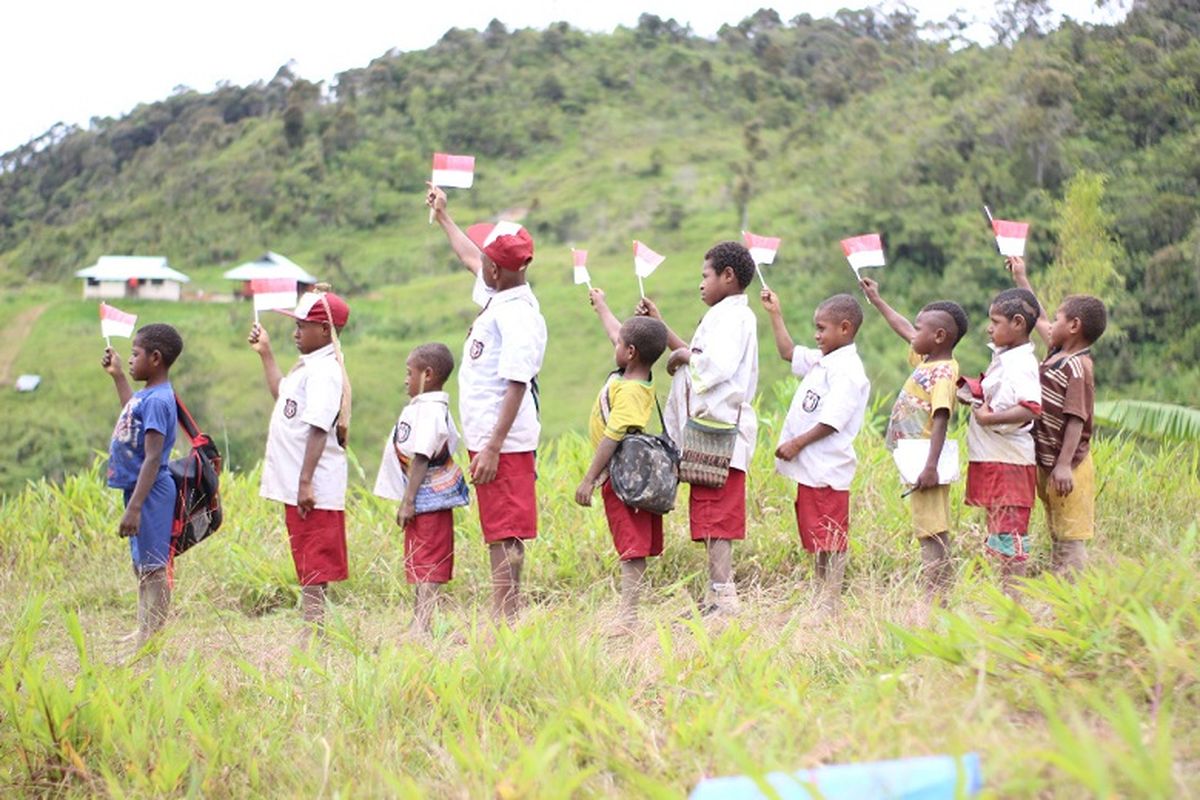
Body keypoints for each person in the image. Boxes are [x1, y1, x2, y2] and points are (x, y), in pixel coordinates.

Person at [427, 184, 547, 625]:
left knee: (508, 530)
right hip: (488, 437)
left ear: (497, 270)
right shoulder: (500, 293)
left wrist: (495, 445)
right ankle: (503, 610)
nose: (479, 265)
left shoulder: (518, 315)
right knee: (496, 527)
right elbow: (467, 257)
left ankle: (507, 615)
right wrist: (443, 217)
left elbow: (516, 383)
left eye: (486, 262)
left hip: (506, 441)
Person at [638, 241, 759, 616]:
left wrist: (683, 356)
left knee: (718, 519)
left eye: (706, 276)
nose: (701, 284)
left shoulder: (736, 318)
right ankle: (716, 598)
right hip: (708, 432)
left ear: (728, 276)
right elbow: (700, 356)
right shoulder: (723, 315)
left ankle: (725, 600)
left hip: (720, 432)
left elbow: (715, 366)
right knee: (709, 516)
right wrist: (665, 331)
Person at [248, 287, 352, 634]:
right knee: (308, 558)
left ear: (325, 330)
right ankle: (314, 626)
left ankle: (315, 630)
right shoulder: (307, 368)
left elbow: (320, 428)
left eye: (303, 325)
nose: (295, 332)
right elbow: (283, 396)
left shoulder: (325, 372)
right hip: (300, 484)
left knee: (315, 561)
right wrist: (266, 353)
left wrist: (305, 482)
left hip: (313, 486)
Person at [860, 277, 968, 604]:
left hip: (926, 461)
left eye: (921, 330)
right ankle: (938, 594)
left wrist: (931, 466)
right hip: (916, 459)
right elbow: (904, 327)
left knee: (933, 529)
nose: (913, 334)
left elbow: (941, 418)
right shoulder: (928, 360)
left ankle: (937, 597)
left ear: (938, 337)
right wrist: (877, 300)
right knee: (927, 526)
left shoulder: (944, 373)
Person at [761, 290, 870, 615]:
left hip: (828, 468)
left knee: (832, 537)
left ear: (845, 329)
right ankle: (821, 594)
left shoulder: (848, 371)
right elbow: (787, 352)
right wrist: (775, 313)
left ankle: (831, 599)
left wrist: (796, 443)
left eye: (822, 328)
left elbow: (832, 421)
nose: (816, 334)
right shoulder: (825, 359)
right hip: (813, 469)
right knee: (817, 535)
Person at [575, 290, 670, 626]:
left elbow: (613, 436)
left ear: (630, 353)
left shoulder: (629, 391)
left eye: (620, 344)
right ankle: (629, 612)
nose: (613, 343)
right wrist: (602, 304)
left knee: (631, 546)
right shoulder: (635, 376)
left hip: (621, 477)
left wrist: (589, 478)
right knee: (632, 544)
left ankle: (628, 616)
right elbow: (618, 333)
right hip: (628, 474)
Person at [1009, 257, 1107, 576]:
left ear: (1074, 326)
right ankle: (1060, 600)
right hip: (1051, 465)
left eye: (1058, 320)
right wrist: (1022, 279)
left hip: (1069, 466)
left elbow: (1076, 418)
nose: (1050, 325)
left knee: (1070, 540)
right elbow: (1039, 319)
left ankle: (1075, 600)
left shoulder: (1077, 367)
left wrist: (1064, 464)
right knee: (1057, 535)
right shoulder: (1057, 355)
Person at [101, 323, 183, 649]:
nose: (131, 360)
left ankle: (151, 641)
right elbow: (130, 410)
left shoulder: (160, 400)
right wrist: (118, 375)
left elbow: (152, 458)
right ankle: (144, 632)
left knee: (154, 569)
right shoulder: (147, 396)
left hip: (148, 493)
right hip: (140, 490)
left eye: (135, 355)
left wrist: (135, 507)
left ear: (156, 358)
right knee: (142, 568)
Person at [960, 284, 1042, 595]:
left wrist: (988, 417)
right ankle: (1007, 601)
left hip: (1009, 461)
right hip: (995, 457)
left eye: (995, 322)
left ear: (1018, 323)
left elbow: (1030, 407)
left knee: (1010, 535)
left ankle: (1013, 605)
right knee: (1001, 531)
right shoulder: (1006, 358)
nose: (989, 328)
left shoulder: (1021, 363)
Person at [376, 343, 464, 634]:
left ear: (428, 374)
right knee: (419, 560)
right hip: (421, 500)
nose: (405, 379)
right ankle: (419, 621)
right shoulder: (424, 407)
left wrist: (408, 501)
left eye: (409, 373)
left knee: (428, 562)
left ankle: (423, 624)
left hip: (429, 501)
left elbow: (423, 455)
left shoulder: (431, 410)